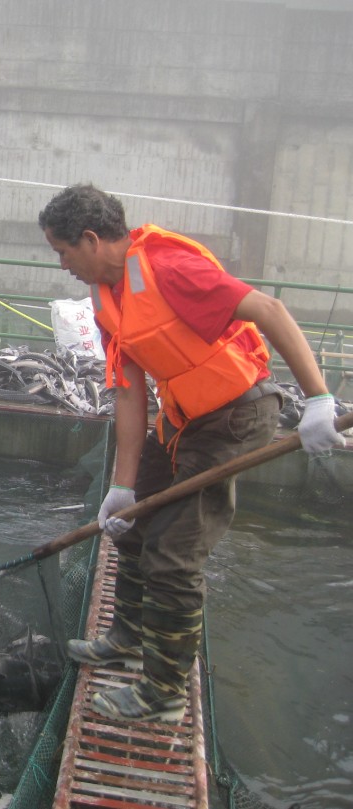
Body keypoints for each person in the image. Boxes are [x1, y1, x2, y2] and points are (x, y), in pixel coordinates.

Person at [38, 183, 346, 723]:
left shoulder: (168, 268)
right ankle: (129, 638)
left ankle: (164, 694)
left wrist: (319, 399)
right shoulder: (106, 297)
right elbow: (130, 393)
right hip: (184, 420)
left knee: (175, 553)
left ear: (90, 239)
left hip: (237, 416)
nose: (62, 264)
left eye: (63, 251)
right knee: (134, 524)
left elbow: (269, 309)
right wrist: (122, 485)